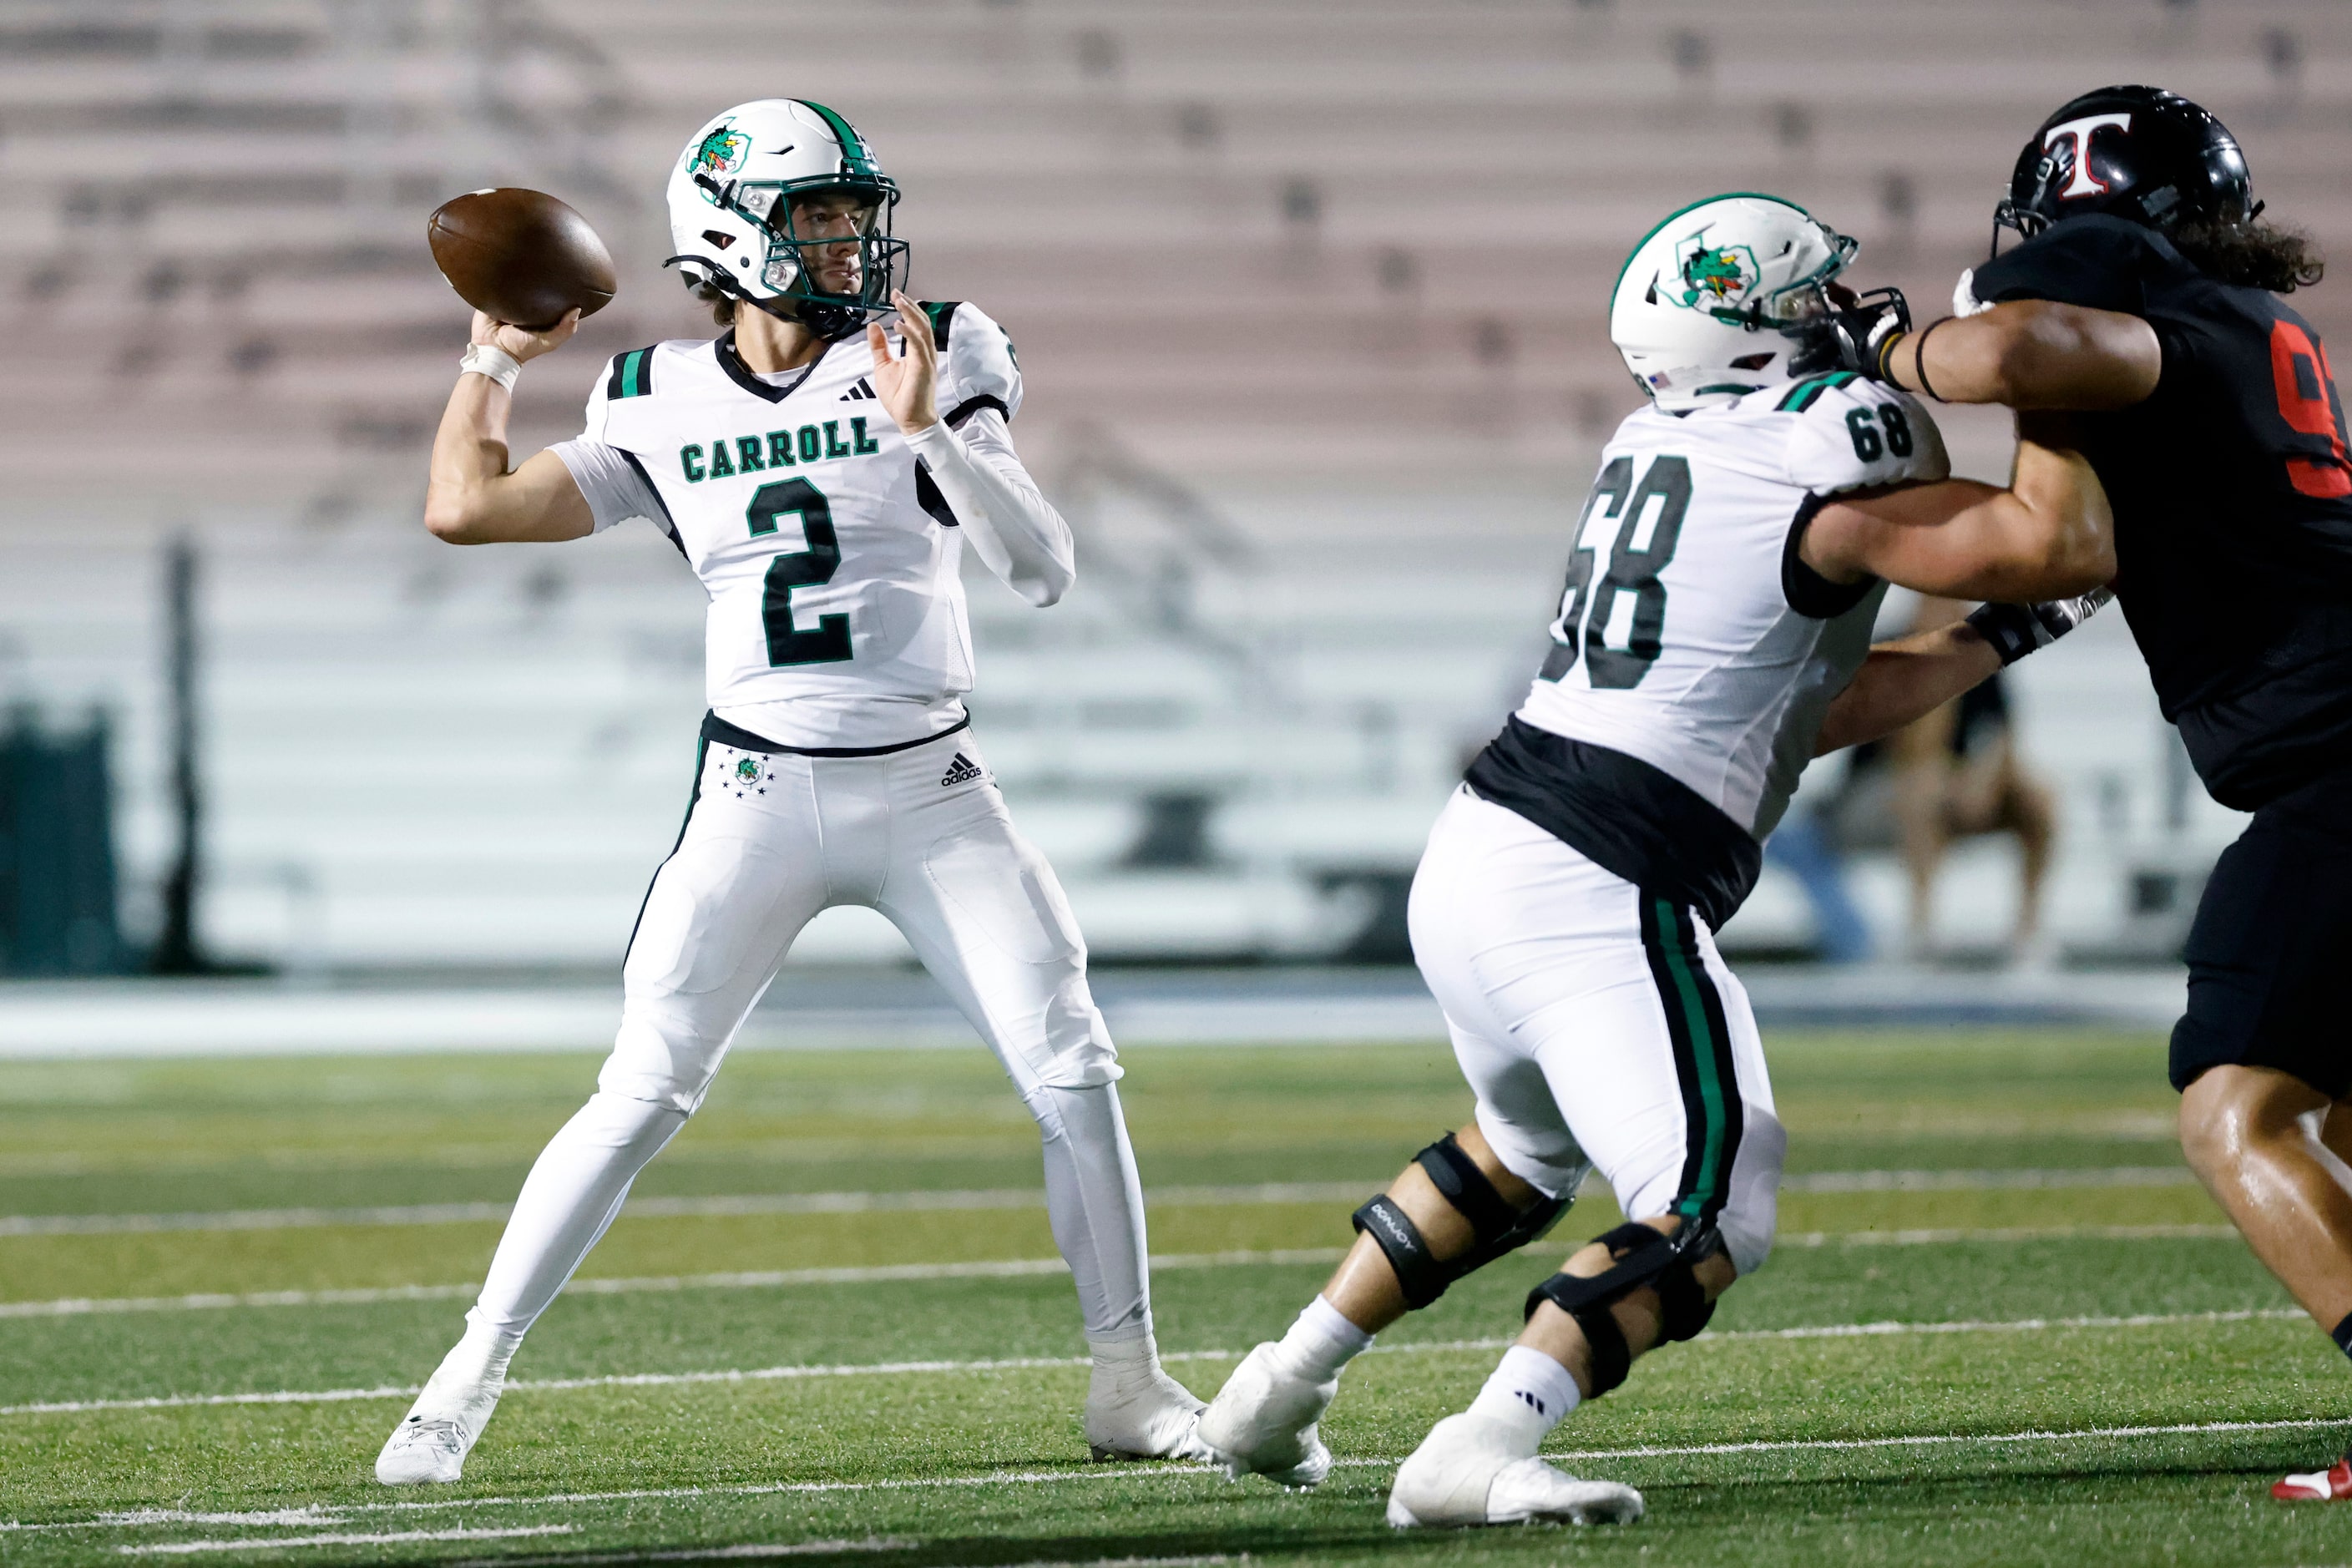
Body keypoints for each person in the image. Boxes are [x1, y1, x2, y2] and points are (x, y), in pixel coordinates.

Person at [1193, 191, 2115, 1527]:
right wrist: (2054, 390)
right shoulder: (1827, 438)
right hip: (1595, 875)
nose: (1842, 320)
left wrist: (2005, 637)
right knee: (1710, 1197)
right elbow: (2053, 540)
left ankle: (1276, 1387)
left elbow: (1810, 703)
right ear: (1744, 336)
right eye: (1805, 303)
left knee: (1518, 1149)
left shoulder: (1659, 438)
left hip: (1484, 848)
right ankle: (1478, 1442)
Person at [372, 99, 1207, 1485]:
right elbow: (466, 508)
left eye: (852, 211)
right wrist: (492, 354)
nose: (849, 238)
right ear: (730, 234)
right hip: (755, 791)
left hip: (933, 785)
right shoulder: (647, 390)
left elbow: (1041, 565)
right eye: (815, 213)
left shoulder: (932, 342)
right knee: (639, 1090)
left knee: (1074, 1064)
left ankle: (1128, 1379)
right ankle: (462, 1378)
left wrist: (929, 427)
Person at [1826, 83, 2352, 1503]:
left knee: (2234, 1104)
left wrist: (1888, 342)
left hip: (2335, 769)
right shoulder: (2247, 330)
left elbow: (2019, 346)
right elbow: (2058, 534)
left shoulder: (2117, 293)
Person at [1881, 596, 2061, 966]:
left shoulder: (1980, 654)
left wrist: (1983, 778)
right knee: (1922, 792)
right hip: (1880, 788)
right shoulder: (1893, 651)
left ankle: (2028, 934)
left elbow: (2002, 733)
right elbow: (1901, 753)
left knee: (2040, 800)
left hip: (1958, 784)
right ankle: (1921, 932)